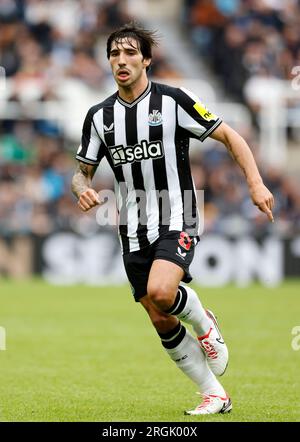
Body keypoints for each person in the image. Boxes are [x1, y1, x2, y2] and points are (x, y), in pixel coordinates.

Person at [71, 23, 274, 416]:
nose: (121, 60)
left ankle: (203, 320)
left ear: (146, 59)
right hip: (130, 227)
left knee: (164, 292)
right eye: (114, 54)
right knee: (157, 313)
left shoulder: (174, 101)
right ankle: (214, 393)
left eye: (130, 53)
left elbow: (231, 136)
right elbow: (82, 170)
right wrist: (81, 188)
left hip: (176, 213)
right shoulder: (100, 117)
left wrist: (255, 182)